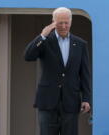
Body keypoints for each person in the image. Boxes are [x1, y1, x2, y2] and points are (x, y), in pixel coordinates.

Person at [24, 7, 91, 135]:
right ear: (53, 22)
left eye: (67, 22)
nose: (64, 26)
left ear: (71, 22)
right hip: (47, 101)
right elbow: (28, 56)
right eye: (60, 23)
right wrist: (42, 35)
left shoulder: (80, 44)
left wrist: (86, 98)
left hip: (71, 101)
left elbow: (85, 74)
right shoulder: (45, 41)